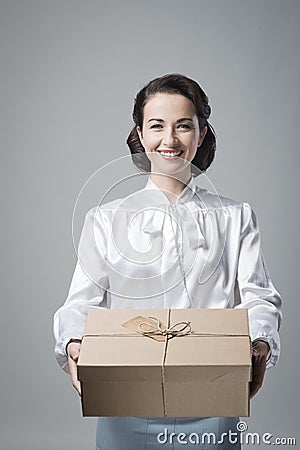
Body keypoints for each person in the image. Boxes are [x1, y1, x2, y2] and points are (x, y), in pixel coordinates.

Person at [53, 74, 282, 449]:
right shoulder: (106, 218)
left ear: (202, 133)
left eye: (184, 126)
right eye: (157, 126)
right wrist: (74, 344)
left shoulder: (236, 216)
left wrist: (259, 343)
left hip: (213, 402)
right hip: (127, 404)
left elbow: (259, 297)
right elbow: (80, 304)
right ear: (141, 134)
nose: (170, 140)